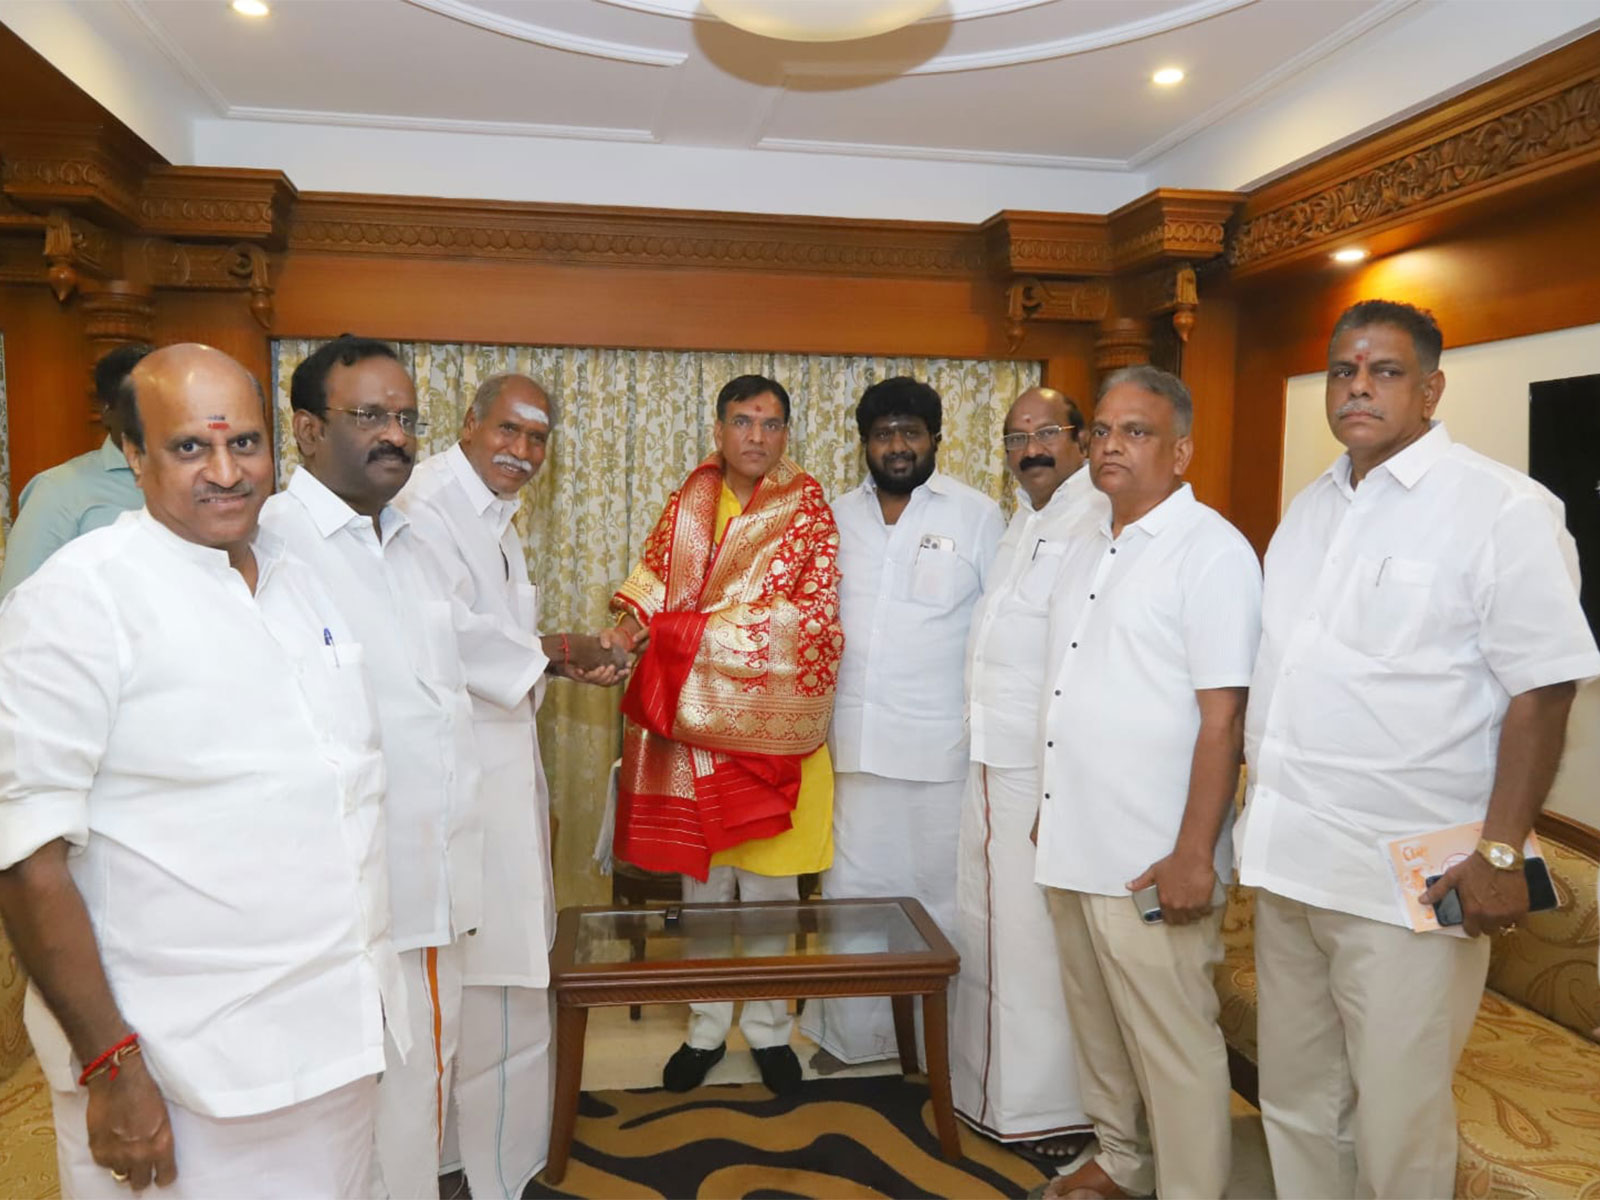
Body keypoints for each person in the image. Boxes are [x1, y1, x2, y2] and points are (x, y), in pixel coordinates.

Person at [0, 344, 406, 1198]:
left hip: (334, 1047)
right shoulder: (81, 599)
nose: (226, 472)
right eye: (190, 448)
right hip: (184, 1082)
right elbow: (26, 860)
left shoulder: (297, 581)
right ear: (134, 455)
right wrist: (112, 1066)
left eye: (245, 445)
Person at [1237, 300, 1600, 1199]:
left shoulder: (1501, 509)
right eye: (1343, 370)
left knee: (1399, 1119)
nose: (1358, 386)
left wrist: (1502, 852)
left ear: (1431, 388)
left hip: (1410, 879)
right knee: (1296, 1101)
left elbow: (1544, 689)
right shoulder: (1310, 508)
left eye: (1385, 371)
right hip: (1291, 866)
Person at [260, 337, 499, 1198]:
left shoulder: (414, 539)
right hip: (337, 895)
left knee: (416, 1087)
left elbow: (449, 680)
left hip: (429, 881)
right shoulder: (267, 546)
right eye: (369, 416)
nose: (394, 435)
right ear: (306, 429)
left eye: (405, 418)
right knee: (336, 1097)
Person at [395, 372, 622, 1199]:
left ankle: (493, 1165)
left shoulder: (493, 515)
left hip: (497, 771)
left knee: (508, 975)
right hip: (456, 783)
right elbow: (443, 633)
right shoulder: (423, 504)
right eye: (509, 431)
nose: (523, 452)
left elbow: (498, 642)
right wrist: (555, 650)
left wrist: (553, 655)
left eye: (538, 438)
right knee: (484, 986)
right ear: (468, 424)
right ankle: (484, 1175)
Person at [1037, 365, 1261, 1200]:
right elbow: (1070, 689)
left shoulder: (1212, 553)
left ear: (1181, 449)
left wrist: (1195, 852)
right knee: (1099, 1033)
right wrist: (1050, 811)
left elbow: (1223, 721)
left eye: (1135, 432)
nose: (1110, 446)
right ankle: (1121, 1164)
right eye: (1100, 430)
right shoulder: (1089, 540)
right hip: (1071, 839)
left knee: (1173, 1046)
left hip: (1152, 856)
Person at [608, 374, 843, 1096]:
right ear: (718, 430)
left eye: (771, 425)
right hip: (693, 729)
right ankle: (707, 1027)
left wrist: (686, 635)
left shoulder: (807, 511)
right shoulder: (689, 504)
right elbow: (651, 581)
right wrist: (629, 627)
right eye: (743, 421)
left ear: (785, 436)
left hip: (771, 737)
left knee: (772, 899)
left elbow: (809, 624)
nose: (756, 437)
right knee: (705, 897)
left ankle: (771, 1028)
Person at [802, 376, 1003, 1068]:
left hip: (943, 750)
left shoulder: (977, 517)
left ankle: (943, 1048)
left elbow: (998, 633)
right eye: (883, 433)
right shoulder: (833, 516)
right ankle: (852, 1043)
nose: (896, 446)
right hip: (854, 749)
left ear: (935, 440)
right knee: (854, 903)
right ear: (864, 442)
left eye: (910, 432)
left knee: (940, 905)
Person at [951, 387, 1102, 1166]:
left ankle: (1051, 1113)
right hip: (988, 757)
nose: (1031, 448)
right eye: (1017, 437)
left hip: (1039, 771)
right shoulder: (1026, 518)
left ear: (1081, 439)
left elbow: (1082, 666)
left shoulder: (1094, 520)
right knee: (989, 930)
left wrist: (1061, 786)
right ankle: (989, 1097)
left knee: (1037, 946)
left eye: (1048, 433)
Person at [0, 343, 150, 598]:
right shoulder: (59, 490)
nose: (159, 416)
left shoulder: (199, 481)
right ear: (107, 411)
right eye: (141, 403)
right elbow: (16, 605)